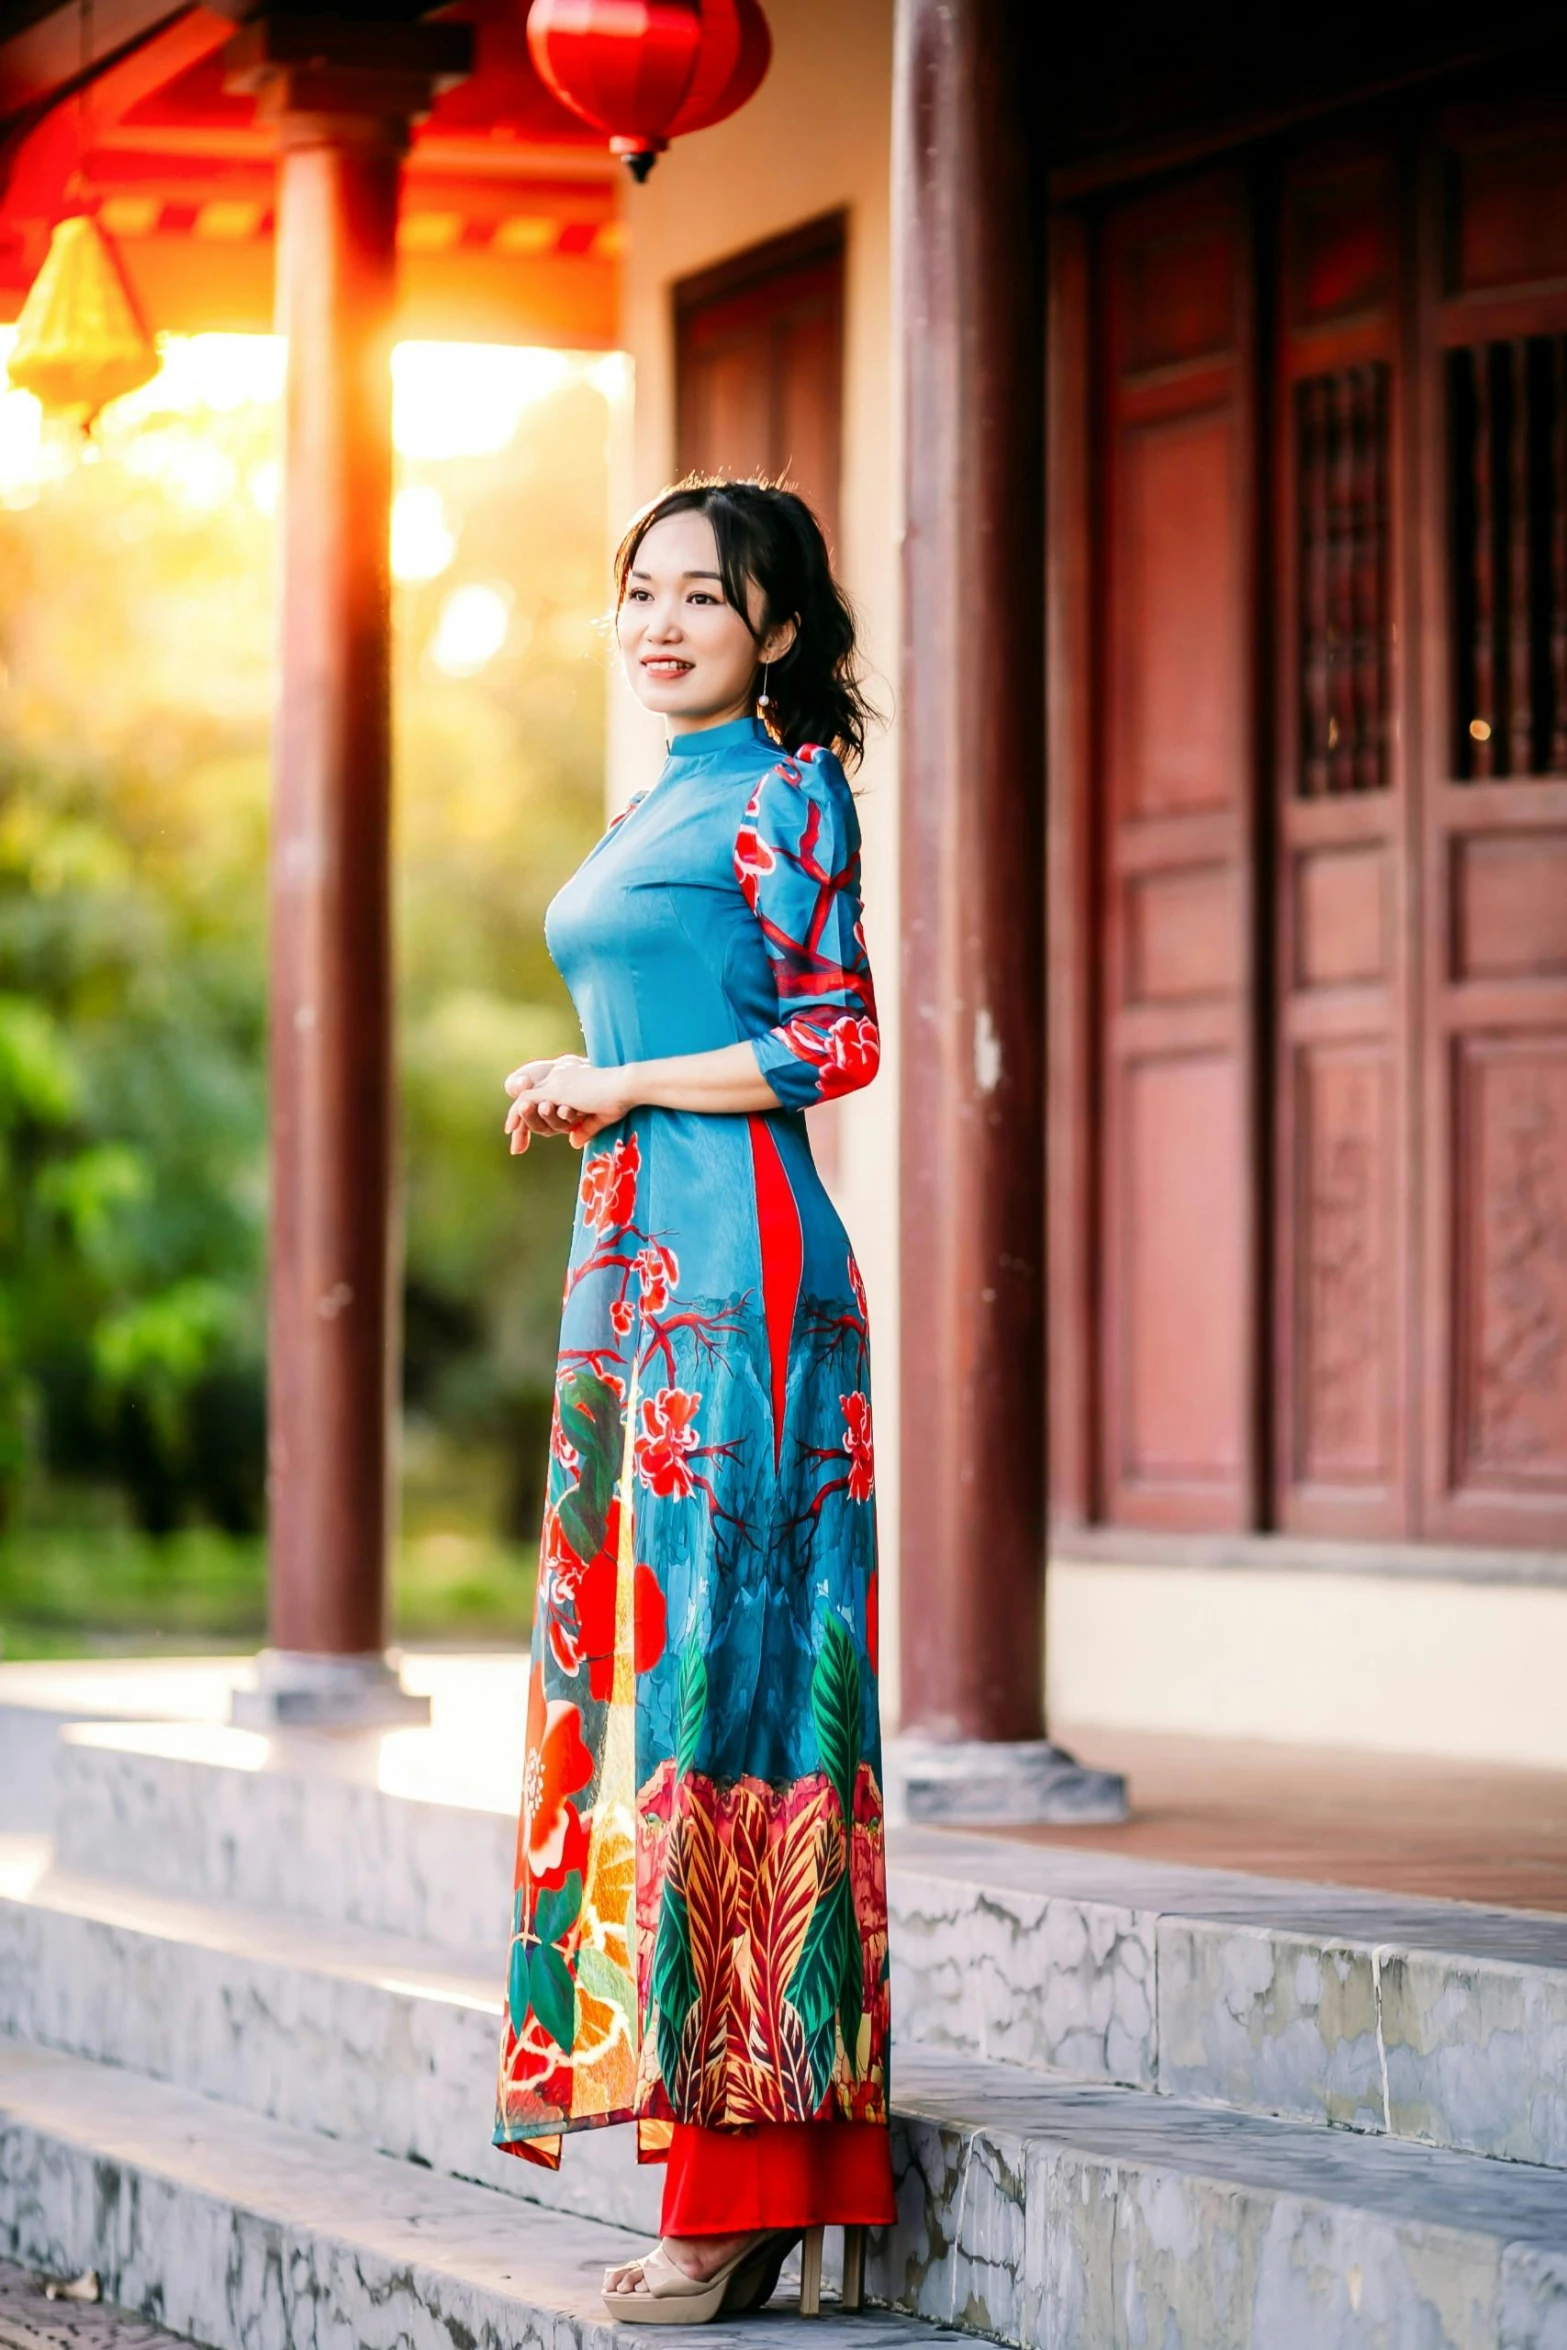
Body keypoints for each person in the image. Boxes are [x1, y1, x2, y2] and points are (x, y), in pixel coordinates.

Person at [493, 477, 895, 2323]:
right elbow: (658, 1029)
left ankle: (741, 2188)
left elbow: (839, 1035)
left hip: (745, 1285)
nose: (659, 624)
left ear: (779, 631)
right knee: (661, 1684)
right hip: (638, 1275)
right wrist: (585, 1080)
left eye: (703, 599)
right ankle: (732, 2151)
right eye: (638, 592)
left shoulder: (785, 789)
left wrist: (621, 1080)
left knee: (734, 1694)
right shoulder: (659, 792)